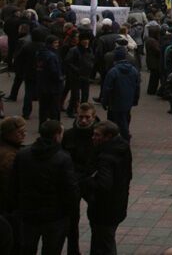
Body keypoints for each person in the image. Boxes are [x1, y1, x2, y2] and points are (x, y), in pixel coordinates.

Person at [8, 119, 80, 255]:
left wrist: (17, 207)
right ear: (57, 135)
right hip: (55, 216)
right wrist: (70, 212)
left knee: (27, 249)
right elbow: (71, 190)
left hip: (29, 213)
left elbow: (14, 183)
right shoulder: (63, 158)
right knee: (52, 250)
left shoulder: (23, 154)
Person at [83, 120, 132, 255]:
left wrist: (87, 180)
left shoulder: (106, 157)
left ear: (108, 137)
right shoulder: (123, 148)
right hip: (117, 205)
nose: (93, 137)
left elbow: (103, 185)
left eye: (97, 135)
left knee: (104, 242)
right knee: (104, 240)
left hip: (103, 210)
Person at [62, 103, 99, 255]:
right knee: (72, 220)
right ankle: (73, 251)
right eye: (81, 117)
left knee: (97, 219)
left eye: (87, 117)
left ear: (93, 116)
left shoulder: (98, 135)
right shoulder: (70, 134)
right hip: (74, 181)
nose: (83, 121)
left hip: (91, 181)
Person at [102, 47, 141, 141]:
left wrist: (104, 101)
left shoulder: (113, 71)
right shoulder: (134, 70)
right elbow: (137, 87)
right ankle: (123, 134)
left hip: (114, 100)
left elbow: (107, 88)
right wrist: (135, 99)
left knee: (114, 120)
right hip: (128, 100)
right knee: (125, 117)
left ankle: (122, 136)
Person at [35, 35, 64, 124]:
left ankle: (42, 126)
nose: (57, 45)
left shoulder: (39, 53)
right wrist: (60, 78)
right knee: (54, 109)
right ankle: (55, 127)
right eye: (55, 43)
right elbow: (54, 72)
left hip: (42, 85)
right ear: (50, 44)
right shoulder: (52, 56)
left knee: (43, 108)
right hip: (53, 87)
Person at [0, 116, 25, 209]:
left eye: (24, 131)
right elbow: (9, 185)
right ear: (8, 134)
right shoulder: (9, 156)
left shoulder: (9, 147)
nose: (24, 134)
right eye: (19, 132)